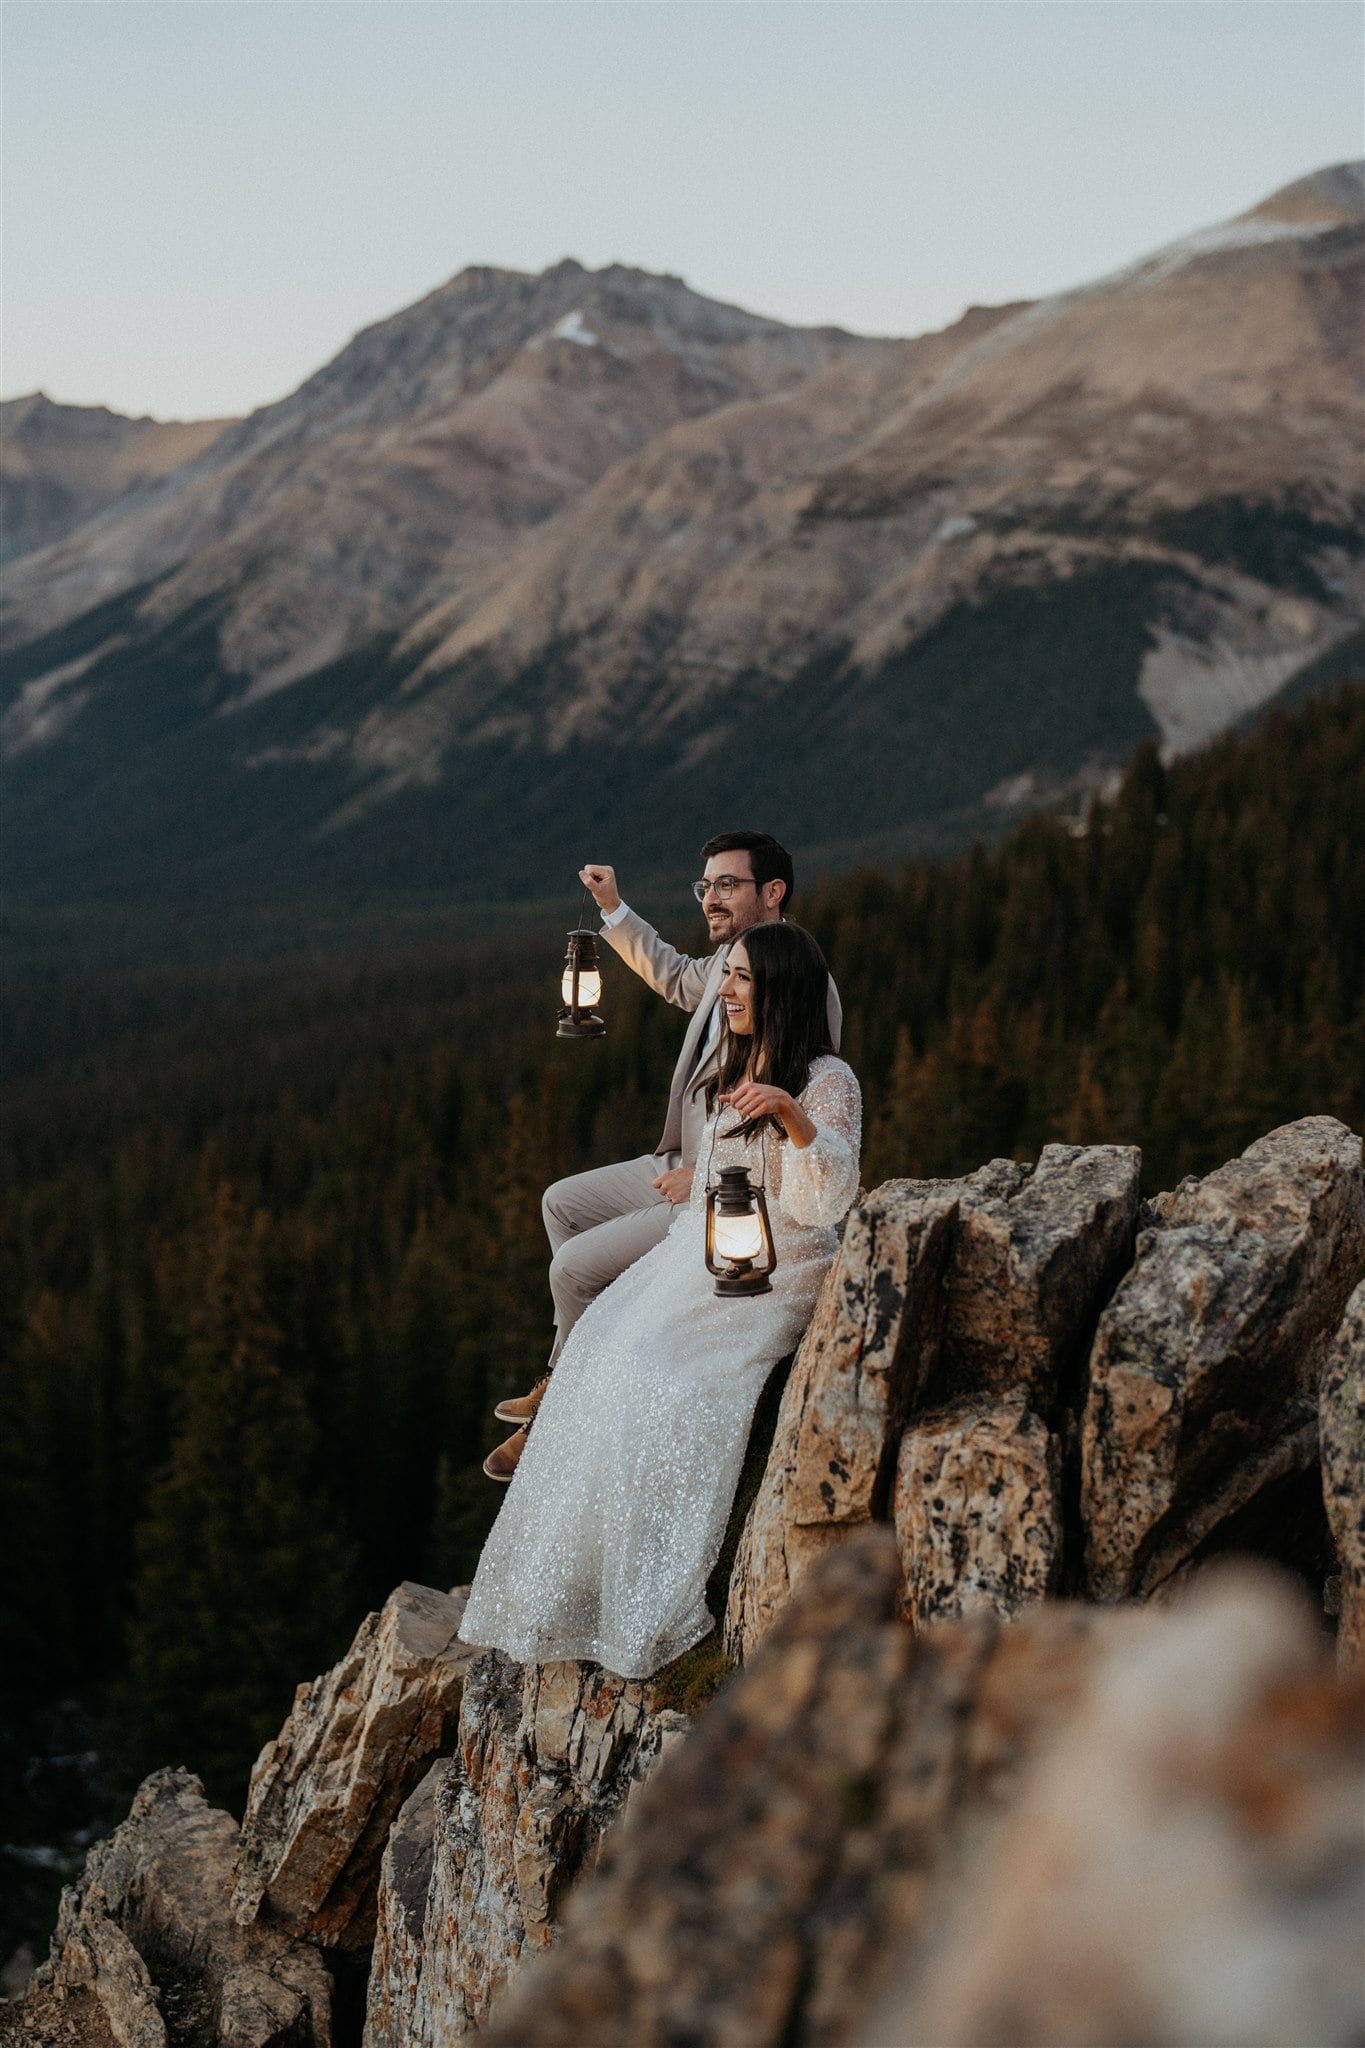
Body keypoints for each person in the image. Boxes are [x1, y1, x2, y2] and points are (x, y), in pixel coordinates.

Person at [459, 921, 862, 1678]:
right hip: (702, 1249)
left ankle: (648, 1587)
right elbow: (712, 1175)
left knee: (671, 1376)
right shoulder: (730, 1061)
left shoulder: (826, 1078)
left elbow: (828, 1197)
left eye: (742, 978)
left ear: (780, 988)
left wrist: (794, 1118)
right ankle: (576, 1575)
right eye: (728, 976)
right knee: (600, 1354)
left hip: (785, 1260)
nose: (728, 991)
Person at [482, 830, 842, 1480]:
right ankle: (577, 1363)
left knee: (570, 1270)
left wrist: (707, 1180)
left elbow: (797, 1109)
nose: (710, 898)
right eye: (705, 887)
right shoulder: (732, 960)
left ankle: (559, 1406)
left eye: (726, 885)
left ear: (773, 892)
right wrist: (614, 908)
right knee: (560, 1202)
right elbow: (676, 977)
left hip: (725, 1194)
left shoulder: (797, 983)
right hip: (678, 1160)